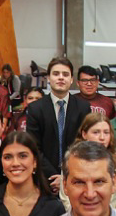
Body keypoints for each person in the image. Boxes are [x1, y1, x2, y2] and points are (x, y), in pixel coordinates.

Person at [24, 57, 90, 191]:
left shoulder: (83, 108)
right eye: (56, 74)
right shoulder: (36, 108)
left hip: (75, 177)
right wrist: (53, 176)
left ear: (71, 80)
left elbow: (84, 145)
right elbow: (34, 148)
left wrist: (66, 176)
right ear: (48, 78)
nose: (61, 78)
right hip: (44, 179)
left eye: (65, 74)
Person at [59, 113, 116, 213]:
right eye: (96, 132)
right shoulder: (71, 159)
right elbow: (66, 200)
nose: (102, 137)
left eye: (106, 132)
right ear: (84, 134)